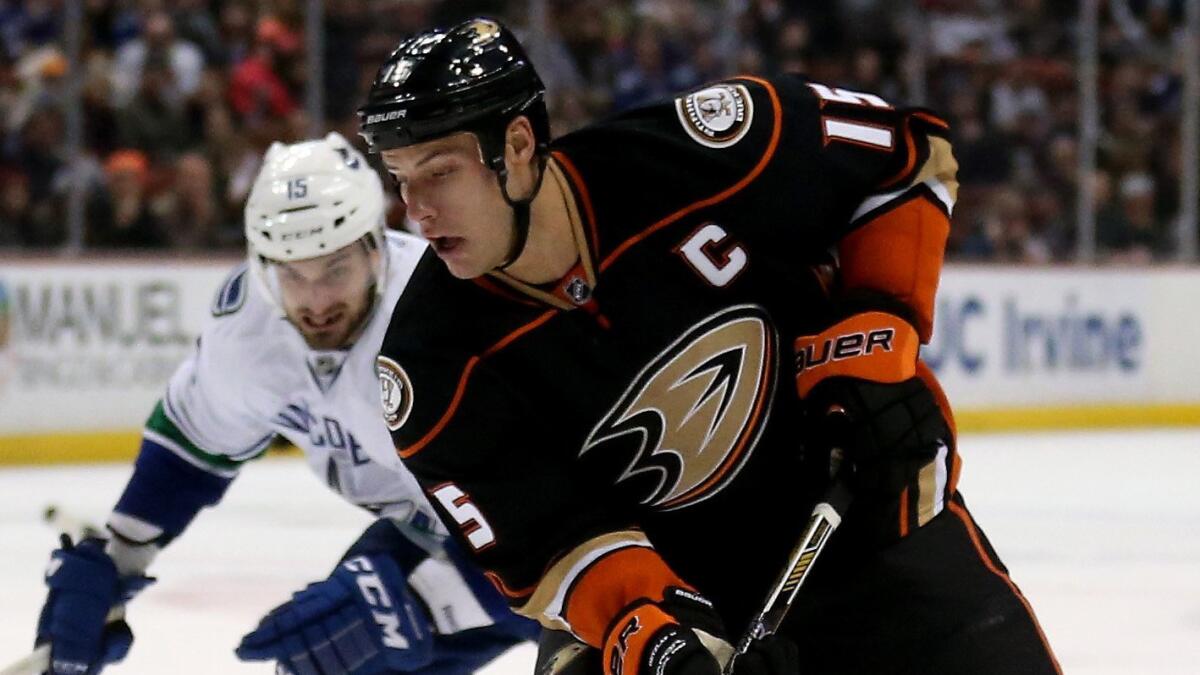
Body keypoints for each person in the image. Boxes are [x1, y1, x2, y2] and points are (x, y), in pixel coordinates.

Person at [357, 17, 1062, 675]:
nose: (414, 208)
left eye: (440, 171)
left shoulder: (694, 156)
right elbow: (548, 549)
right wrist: (654, 634)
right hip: (681, 595)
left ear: (516, 146)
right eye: (401, 177)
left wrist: (869, 347)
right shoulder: (430, 365)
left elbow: (906, 155)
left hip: (855, 514)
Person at [33, 132, 538, 675]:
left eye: (336, 269)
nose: (317, 301)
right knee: (327, 661)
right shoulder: (250, 330)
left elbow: (558, 516)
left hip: (573, 540)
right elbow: (190, 453)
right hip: (431, 527)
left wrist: (419, 602)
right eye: (293, 275)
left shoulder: (447, 323)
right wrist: (118, 558)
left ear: (377, 248)